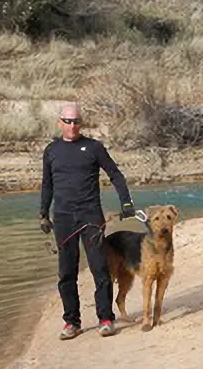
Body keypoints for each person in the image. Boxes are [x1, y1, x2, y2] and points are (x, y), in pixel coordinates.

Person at [39, 102, 136, 340]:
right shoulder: (51, 151)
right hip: (63, 218)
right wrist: (43, 213)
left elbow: (115, 174)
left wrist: (126, 203)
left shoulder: (93, 147)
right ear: (60, 123)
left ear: (81, 123)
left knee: (100, 269)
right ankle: (72, 322)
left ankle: (106, 318)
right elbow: (47, 185)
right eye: (68, 121)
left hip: (91, 216)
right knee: (66, 273)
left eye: (76, 121)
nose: (72, 126)